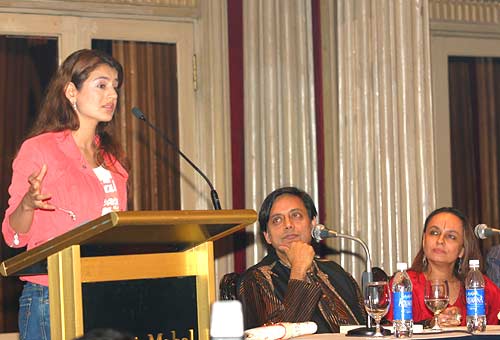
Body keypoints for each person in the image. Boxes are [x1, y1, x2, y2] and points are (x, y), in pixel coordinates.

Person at [2, 49, 129, 340]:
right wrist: (27, 204)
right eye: (101, 85)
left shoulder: (113, 160)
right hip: (51, 293)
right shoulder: (40, 149)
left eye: (115, 87)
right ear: (71, 91)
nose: (112, 95)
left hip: (103, 291)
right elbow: (13, 234)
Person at [237, 186, 366, 333]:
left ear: (312, 223)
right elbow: (279, 334)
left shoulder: (334, 270)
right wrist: (298, 270)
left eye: (296, 215)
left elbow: (368, 326)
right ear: (267, 236)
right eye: (277, 220)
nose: (288, 225)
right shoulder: (256, 279)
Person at [387, 207, 500, 327]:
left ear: (462, 250)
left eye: (451, 236)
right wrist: (430, 325)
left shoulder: (481, 286)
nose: (440, 240)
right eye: (434, 233)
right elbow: (393, 331)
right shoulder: (405, 284)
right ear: (424, 241)